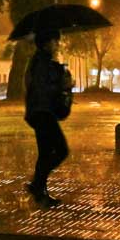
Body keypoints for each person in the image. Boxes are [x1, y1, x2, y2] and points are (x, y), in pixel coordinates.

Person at [24, 29, 71, 207]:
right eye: (54, 41)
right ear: (46, 43)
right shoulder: (41, 63)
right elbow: (43, 89)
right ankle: (37, 185)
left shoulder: (40, 61)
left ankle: (39, 191)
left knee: (45, 153)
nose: (56, 45)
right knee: (61, 150)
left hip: (39, 112)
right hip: (43, 112)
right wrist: (62, 85)